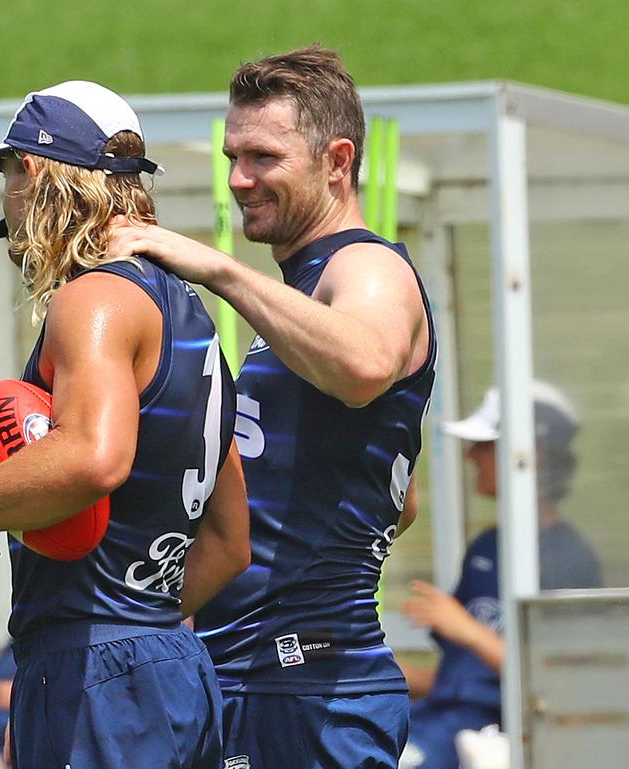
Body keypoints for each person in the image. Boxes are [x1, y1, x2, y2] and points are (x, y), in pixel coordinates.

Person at [109, 45, 436, 769]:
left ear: (337, 160)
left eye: (262, 156)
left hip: (308, 688)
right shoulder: (300, 297)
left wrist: (216, 268)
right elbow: (400, 495)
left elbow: (365, 365)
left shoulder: (368, 266)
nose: (237, 179)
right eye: (231, 156)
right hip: (248, 679)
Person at [0, 80, 251, 769]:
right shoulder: (193, 321)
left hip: (100, 672)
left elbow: (93, 458)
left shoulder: (93, 298)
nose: (7, 205)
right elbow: (229, 539)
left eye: (8, 176)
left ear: (34, 175)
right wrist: (140, 633)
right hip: (171, 665)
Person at [398, 380, 601, 769]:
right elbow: (459, 683)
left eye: (486, 446)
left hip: (490, 740)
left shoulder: (569, 560)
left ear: (532, 456)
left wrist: (468, 631)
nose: (470, 456)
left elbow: (563, 688)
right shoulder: (487, 547)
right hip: (438, 727)